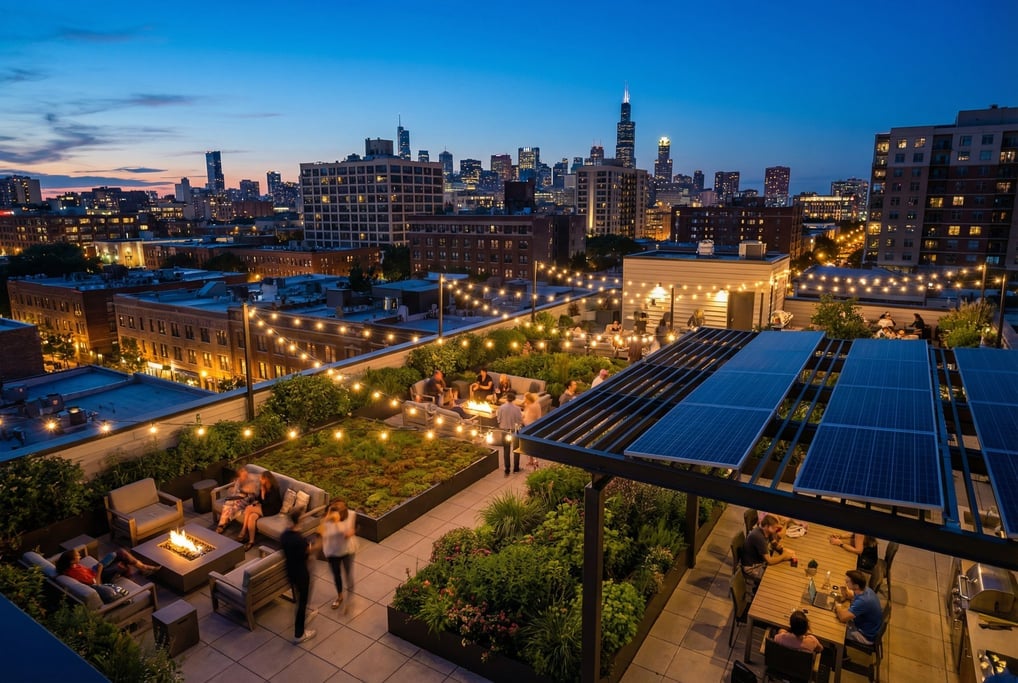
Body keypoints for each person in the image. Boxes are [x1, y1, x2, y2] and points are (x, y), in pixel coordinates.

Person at [281, 509, 316, 644]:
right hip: (301, 573)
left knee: (299, 596)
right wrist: (310, 547)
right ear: (299, 521)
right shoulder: (299, 540)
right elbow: (306, 554)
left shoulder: (285, 535)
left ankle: (304, 615)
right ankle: (299, 634)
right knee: (302, 601)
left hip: (290, 571)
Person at [319, 500, 356, 611]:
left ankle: (350, 597)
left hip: (347, 550)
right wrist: (327, 519)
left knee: (348, 573)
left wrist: (337, 523)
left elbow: (346, 534)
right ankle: (340, 596)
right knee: (336, 575)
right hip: (332, 551)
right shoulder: (326, 521)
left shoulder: (351, 515)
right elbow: (321, 533)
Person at [56, 547, 158, 585]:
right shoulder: (76, 573)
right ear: (71, 561)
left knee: (120, 553)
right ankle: (142, 570)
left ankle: (143, 568)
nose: (80, 556)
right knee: (122, 565)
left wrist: (98, 567)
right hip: (101, 576)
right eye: (77, 556)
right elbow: (97, 585)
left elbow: (90, 571)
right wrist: (100, 569)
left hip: (95, 569)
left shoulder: (72, 566)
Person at [741, 514, 796, 584]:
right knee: (774, 579)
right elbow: (769, 561)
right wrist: (784, 556)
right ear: (767, 526)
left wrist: (781, 549)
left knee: (780, 569)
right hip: (752, 567)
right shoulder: (759, 538)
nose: (776, 529)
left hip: (760, 561)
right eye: (774, 527)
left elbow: (774, 543)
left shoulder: (767, 532)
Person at [835, 569, 883, 644]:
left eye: (847, 582)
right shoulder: (865, 589)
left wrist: (837, 606)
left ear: (856, 585)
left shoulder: (864, 601)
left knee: (836, 632)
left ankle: (839, 652)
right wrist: (847, 595)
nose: (846, 583)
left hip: (864, 635)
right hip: (865, 625)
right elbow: (854, 596)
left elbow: (842, 617)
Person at [238, 471, 282, 551]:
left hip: (272, 509)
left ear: (267, 479)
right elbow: (259, 499)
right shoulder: (263, 486)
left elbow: (269, 502)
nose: (260, 480)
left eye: (262, 478)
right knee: (252, 517)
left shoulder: (274, 488)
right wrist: (257, 502)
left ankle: (243, 531)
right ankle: (251, 541)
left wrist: (263, 493)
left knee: (248, 508)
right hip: (264, 507)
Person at [215, 467, 259, 534]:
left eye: (245, 474)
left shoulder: (253, 479)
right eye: (241, 475)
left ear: (247, 473)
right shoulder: (239, 480)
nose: (243, 476)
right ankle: (222, 524)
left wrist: (246, 491)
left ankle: (223, 524)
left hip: (248, 498)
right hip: (237, 497)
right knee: (227, 504)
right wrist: (234, 492)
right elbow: (235, 491)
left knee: (236, 505)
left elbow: (256, 493)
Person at [497, 390, 523, 475]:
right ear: (514, 399)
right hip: (514, 431)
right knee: (516, 450)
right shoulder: (517, 409)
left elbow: (498, 419)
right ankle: (516, 468)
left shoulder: (501, 408)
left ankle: (507, 468)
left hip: (504, 431)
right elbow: (520, 420)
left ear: (506, 398)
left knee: (506, 449)